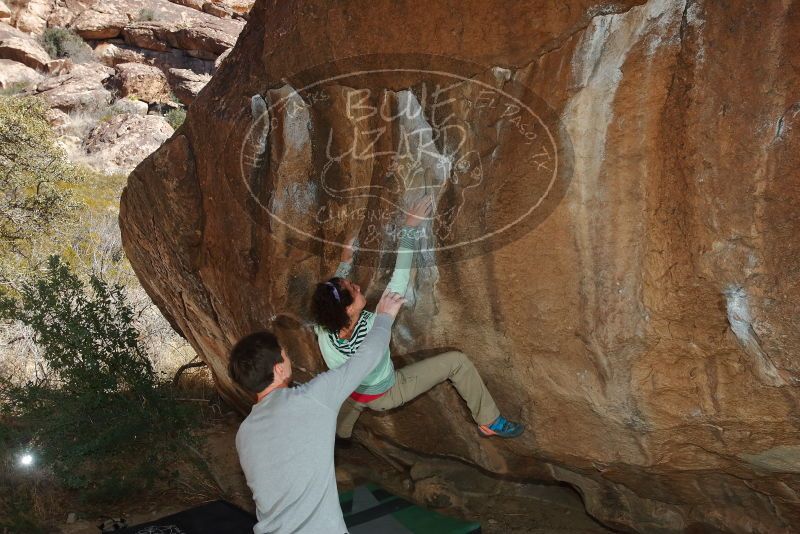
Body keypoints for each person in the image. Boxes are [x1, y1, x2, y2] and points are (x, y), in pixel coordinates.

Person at [311, 197, 524, 440]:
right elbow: (399, 281)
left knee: (354, 390)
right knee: (457, 362)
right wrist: (409, 229)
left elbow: (331, 300)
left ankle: (340, 432)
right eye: (355, 290)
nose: (359, 287)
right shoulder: (374, 327)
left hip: (351, 388)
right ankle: (489, 421)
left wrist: (345, 262)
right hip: (384, 394)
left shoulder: (323, 326)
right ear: (348, 310)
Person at [230, 289, 406, 534]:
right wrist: (385, 316)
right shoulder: (312, 398)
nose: (288, 356)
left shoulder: (244, 433)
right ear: (279, 369)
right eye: (285, 353)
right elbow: (366, 358)